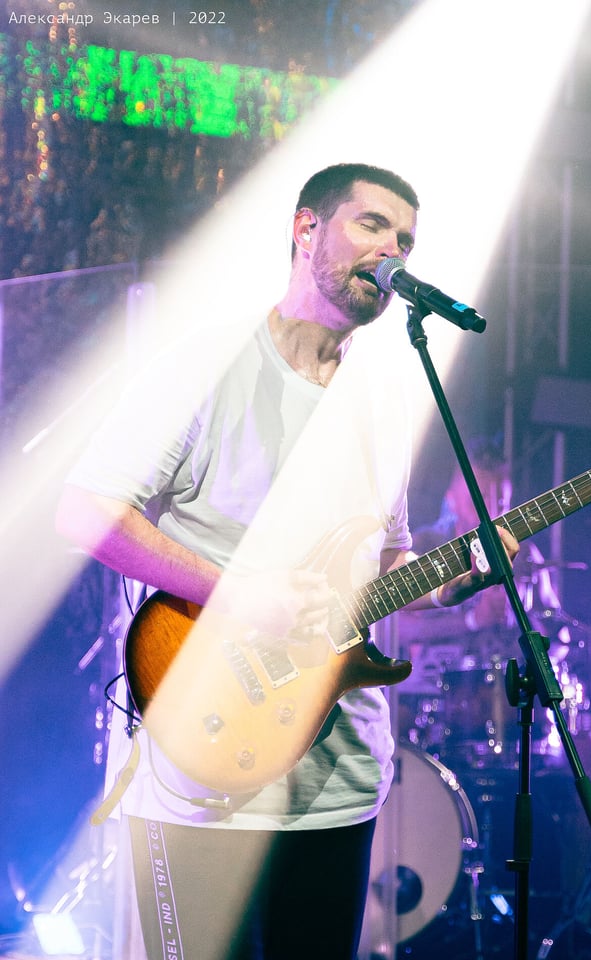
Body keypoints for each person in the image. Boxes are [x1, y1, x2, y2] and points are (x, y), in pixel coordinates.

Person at [56, 162, 519, 960]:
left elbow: (385, 562)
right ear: (307, 230)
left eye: (407, 239)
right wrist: (240, 595)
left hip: (338, 782)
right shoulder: (204, 365)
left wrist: (450, 584)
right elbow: (86, 513)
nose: (393, 249)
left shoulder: (386, 402)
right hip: (202, 769)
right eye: (372, 224)